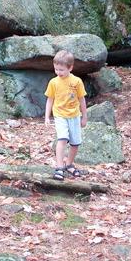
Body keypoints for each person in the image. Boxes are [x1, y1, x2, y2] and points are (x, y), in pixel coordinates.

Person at [44, 49, 87, 181]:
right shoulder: (53, 82)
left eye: (61, 70)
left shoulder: (77, 82)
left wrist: (84, 116)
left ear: (70, 68)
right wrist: (47, 116)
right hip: (60, 115)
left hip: (74, 115)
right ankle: (59, 167)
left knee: (75, 143)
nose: (58, 72)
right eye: (56, 69)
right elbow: (50, 99)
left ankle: (69, 164)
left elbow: (82, 99)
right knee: (62, 139)